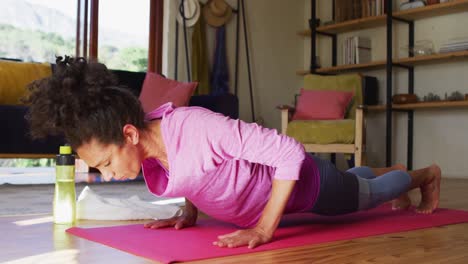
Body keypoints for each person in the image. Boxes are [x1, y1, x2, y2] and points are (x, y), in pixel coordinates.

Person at [25, 56, 441, 249]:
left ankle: (422, 175)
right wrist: (188, 212)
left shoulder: (199, 127)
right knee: (359, 181)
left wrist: (264, 230)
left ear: (129, 134)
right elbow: (188, 167)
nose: (109, 174)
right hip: (298, 189)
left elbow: (288, 152)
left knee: (368, 199)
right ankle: (381, 172)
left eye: (106, 163)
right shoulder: (152, 144)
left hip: (309, 186)